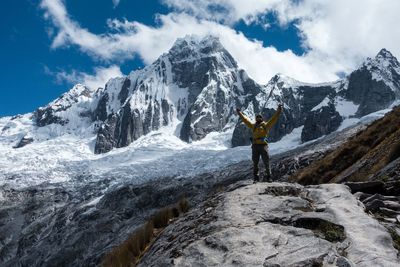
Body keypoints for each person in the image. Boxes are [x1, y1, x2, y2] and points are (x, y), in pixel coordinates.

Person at [236, 104, 283, 183]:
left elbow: (274, 118)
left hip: (263, 146)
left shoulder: (266, 125)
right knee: (255, 163)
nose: (258, 118)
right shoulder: (253, 126)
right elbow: (245, 120)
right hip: (255, 146)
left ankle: (269, 177)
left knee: (266, 162)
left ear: (262, 118)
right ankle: (256, 178)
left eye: (259, 117)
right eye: (257, 117)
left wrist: (279, 110)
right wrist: (239, 113)